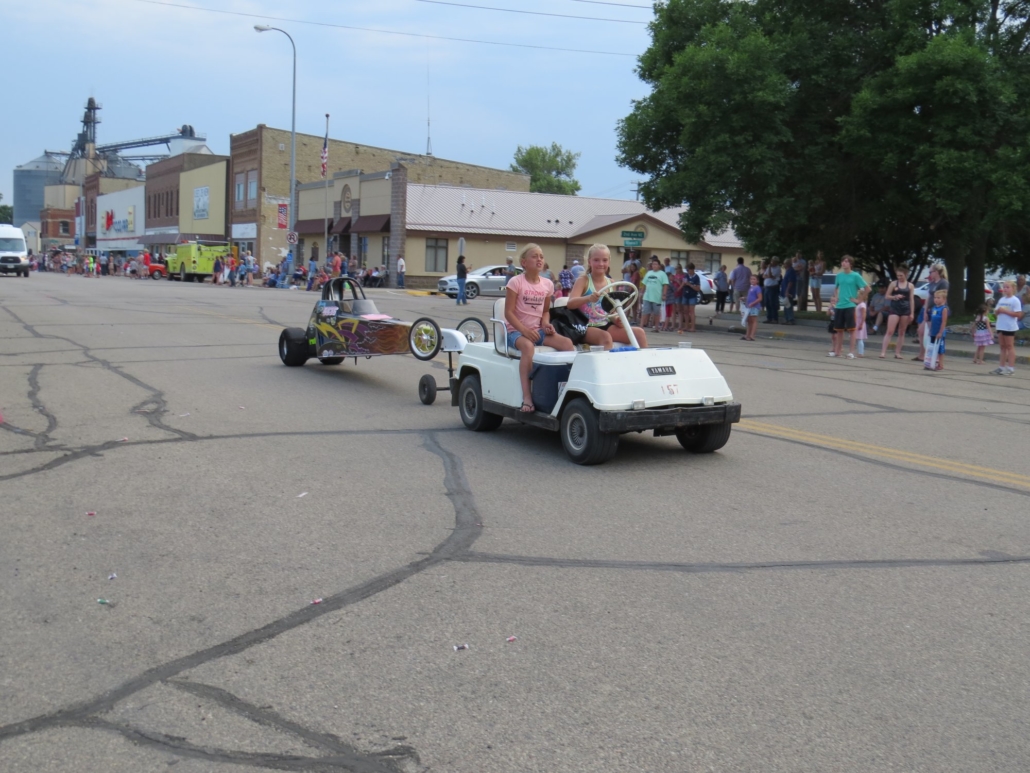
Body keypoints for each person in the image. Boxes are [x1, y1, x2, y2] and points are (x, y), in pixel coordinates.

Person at [504, 244, 574, 412]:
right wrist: (524, 331)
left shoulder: (548, 284)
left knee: (567, 344)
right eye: (534, 256)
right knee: (528, 348)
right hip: (516, 332)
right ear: (524, 262)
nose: (539, 259)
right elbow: (508, 313)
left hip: (537, 331)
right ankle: (527, 397)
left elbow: (545, 312)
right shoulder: (515, 282)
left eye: (541, 256)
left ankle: (566, 392)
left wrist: (546, 324)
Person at [567, 244, 648, 350]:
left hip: (605, 324)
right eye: (596, 260)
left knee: (639, 333)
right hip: (585, 327)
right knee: (606, 338)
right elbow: (570, 304)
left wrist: (616, 319)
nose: (601, 264)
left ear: (609, 262)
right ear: (589, 261)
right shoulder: (583, 281)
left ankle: (642, 364)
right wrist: (588, 298)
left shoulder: (611, 283)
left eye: (604, 260)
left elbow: (611, 311)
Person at [828, 255, 867, 359]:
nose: (844, 263)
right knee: (839, 330)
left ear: (850, 264)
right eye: (843, 261)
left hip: (850, 305)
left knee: (851, 329)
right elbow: (836, 288)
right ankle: (838, 351)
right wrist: (836, 297)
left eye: (846, 261)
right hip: (840, 306)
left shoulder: (855, 276)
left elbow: (867, 288)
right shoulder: (839, 276)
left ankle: (851, 352)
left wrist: (858, 300)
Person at [879, 266, 914, 359]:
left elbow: (911, 299)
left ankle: (897, 352)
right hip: (895, 308)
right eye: (898, 275)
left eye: (901, 275)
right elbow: (887, 296)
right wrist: (895, 297)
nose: (899, 277)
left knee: (902, 332)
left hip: (905, 309)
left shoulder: (910, 285)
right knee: (890, 330)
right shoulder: (893, 284)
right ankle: (883, 352)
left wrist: (912, 313)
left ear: (906, 274)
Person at [917, 264, 948, 360]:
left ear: (937, 272)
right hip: (929, 309)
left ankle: (935, 356)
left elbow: (943, 297)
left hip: (936, 311)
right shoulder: (933, 283)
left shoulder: (943, 283)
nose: (930, 274)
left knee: (933, 333)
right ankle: (923, 354)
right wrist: (925, 310)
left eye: (931, 272)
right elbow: (929, 297)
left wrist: (937, 309)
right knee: (921, 331)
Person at [992, 281, 1023, 375]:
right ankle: (1001, 367)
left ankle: (1011, 368)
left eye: (1007, 287)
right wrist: (996, 312)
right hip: (1001, 325)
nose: (1005, 289)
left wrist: (1005, 312)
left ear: (1013, 288)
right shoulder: (1001, 300)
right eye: (1004, 287)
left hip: (1009, 326)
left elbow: (1018, 314)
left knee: (1009, 346)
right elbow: (996, 312)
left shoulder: (1015, 300)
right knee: (1002, 346)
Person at [640, 256, 669, 331]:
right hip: (647, 296)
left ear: (659, 265)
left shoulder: (662, 274)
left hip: (657, 296)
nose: (654, 266)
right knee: (645, 311)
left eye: (656, 264)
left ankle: (656, 327)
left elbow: (665, 284)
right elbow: (644, 283)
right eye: (653, 264)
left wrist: (664, 294)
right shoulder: (649, 273)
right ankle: (641, 326)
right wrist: (641, 293)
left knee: (656, 312)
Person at [924, 289, 949, 370]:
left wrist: (940, 332)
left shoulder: (944, 309)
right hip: (933, 331)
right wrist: (930, 330)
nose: (936, 299)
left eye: (938, 298)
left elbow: (943, 321)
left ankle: (940, 365)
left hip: (939, 332)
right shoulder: (934, 308)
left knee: (940, 349)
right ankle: (930, 362)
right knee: (931, 348)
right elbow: (932, 320)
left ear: (944, 299)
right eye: (935, 298)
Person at [682, 263, 702, 333]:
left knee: (692, 311)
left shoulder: (696, 277)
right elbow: (683, 283)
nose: (688, 271)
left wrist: (690, 284)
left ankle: (693, 327)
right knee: (685, 312)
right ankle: (686, 326)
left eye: (689, 270)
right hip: (685, 295)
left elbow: (698, 289)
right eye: (687, 270)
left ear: (692, 269)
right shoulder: (686, 276)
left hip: (692, 296)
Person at [743, 274, 762, 341]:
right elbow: (750, 297)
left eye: (754, 279)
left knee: (753, 321)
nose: (752, 280)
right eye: (751, 279)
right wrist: (744, 298)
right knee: (749, 321)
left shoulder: (757, 288)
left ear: (757, 281)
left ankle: (752, 335)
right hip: (749, 307)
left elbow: (760, 298)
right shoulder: (751, 287)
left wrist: (753, 303)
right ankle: (747, 335)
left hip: (755, 307)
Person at [763, 257, 782, 323]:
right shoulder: (768, 268)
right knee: (767, 303)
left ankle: (774, 318)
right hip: (767, 287)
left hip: (773, 287)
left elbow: (771, 275)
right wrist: (768, 274)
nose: (771, 262)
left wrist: (770, 268)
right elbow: (764, 276)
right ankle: (769, 318)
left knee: (772, 303)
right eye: (771, 261)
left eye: (773, 261)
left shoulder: (777, 268)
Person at [669, 265, 685, 333]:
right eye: (676, 269)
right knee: (673, 310)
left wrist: (678, 283)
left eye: (677, 269)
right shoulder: (675, 275)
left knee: (679, 310)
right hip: (674, 294)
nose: (677, 270)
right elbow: (672, 282)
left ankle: (680, 325)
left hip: (679, 294)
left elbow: (682, 284)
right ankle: (673, 325)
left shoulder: (683, 276)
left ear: (680, 269)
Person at [781, 259, 797, 324]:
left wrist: (787, 291)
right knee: (786, 305)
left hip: (789, 291)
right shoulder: (787, 271)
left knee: (789, 305)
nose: (784, 265)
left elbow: (790, 282)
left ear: (788, 264)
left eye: (785, 264)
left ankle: (791, 319)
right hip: (785, 290)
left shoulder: (791, 271)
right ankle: (787, 319)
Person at [854, 287, 868, 357]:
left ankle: (861, 352)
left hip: (859, 322)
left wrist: (861, 323)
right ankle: (859, 351)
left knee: (860, 338)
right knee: (857, 338)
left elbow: (863, 314)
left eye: (858, 296)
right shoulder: (859, 304)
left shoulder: (862, 305)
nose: (857, 298)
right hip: (857, 322)